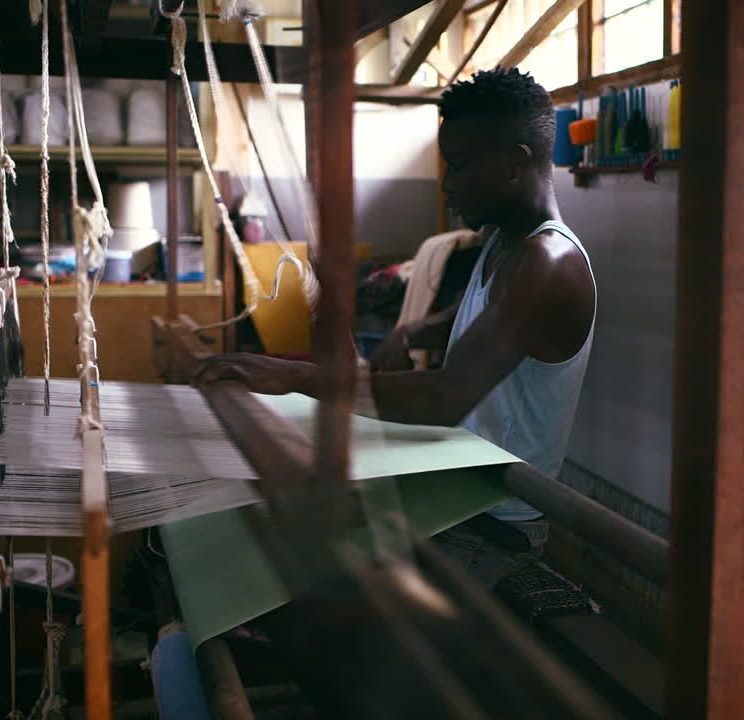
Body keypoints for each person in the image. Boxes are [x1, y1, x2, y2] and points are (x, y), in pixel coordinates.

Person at [197, 68, 596, 588]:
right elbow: (476, 315)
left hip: (490, 525)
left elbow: (444, 398)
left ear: (515, 165)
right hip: (458, 498)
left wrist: (292, 376)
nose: (449, 185)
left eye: (460, 166)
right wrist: (413, 333)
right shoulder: (508, 243)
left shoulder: (547, 262)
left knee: (309, 590)